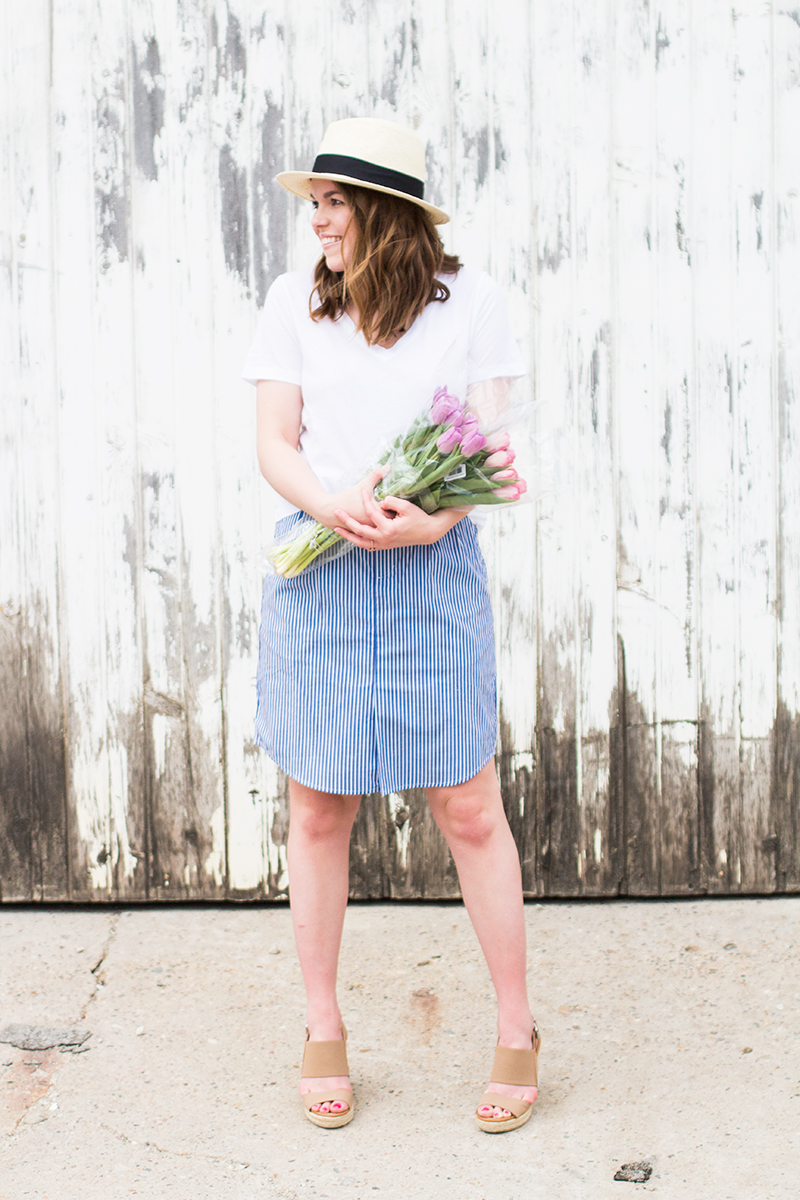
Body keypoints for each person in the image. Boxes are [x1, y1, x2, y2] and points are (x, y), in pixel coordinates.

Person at [242, 117, 540, 1133]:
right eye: (315, 203)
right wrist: (329, 508)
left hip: (429, 573)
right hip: (320, 572)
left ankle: (517, 1029)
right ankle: (322, 1026)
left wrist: (433, 521)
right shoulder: (292, 302)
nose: (317, 221)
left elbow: (485, 448)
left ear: (384, 213)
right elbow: (275, 443)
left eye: (333, 203)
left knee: (467, 805)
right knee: (320, 806)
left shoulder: (473, 303)